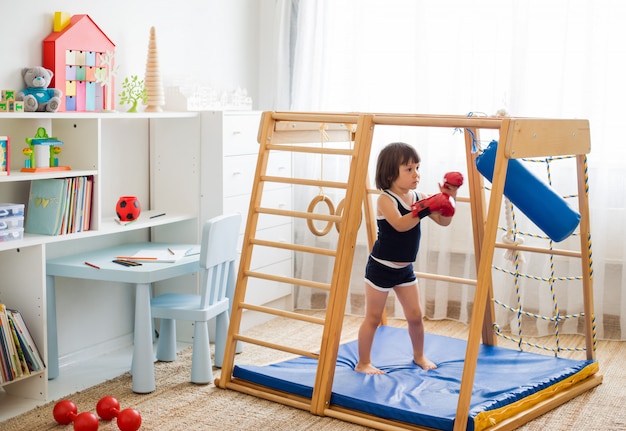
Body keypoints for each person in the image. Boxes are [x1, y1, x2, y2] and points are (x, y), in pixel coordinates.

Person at [355, 142, 463, 375]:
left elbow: (444, 222)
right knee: (373, 318)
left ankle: (419, 356)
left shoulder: (419, 196)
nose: (417, 174)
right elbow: (401, 224)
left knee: (415, 316)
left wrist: (448, 199)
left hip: (405, 269)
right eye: (409, 169)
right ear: (390, 174)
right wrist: (425, 207)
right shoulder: (385, 199)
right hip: (381, 268)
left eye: (417, 167)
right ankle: (363, 362)